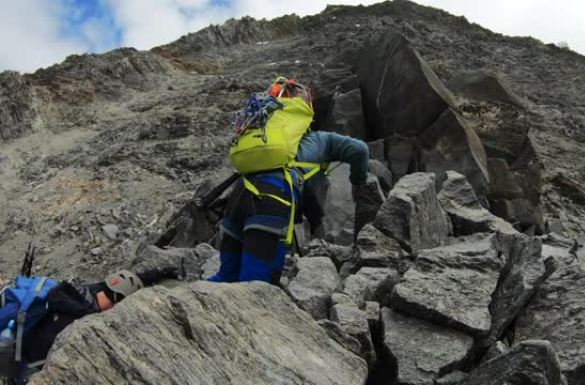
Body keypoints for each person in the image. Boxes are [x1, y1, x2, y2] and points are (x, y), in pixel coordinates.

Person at [207, 77, 369, 284]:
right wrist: (358, 181)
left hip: (238, 197)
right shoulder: (320, 140)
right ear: (306, 110)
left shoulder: (259, 129)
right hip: (272, 201)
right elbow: (360, 150)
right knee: (255, 285)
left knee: (225, 277)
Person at [0, 263, 180, 382]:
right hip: (26, 364)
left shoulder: (87, 291)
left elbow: (124, 283)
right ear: (118, 301)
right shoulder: (77, 322)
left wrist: (159, 272)